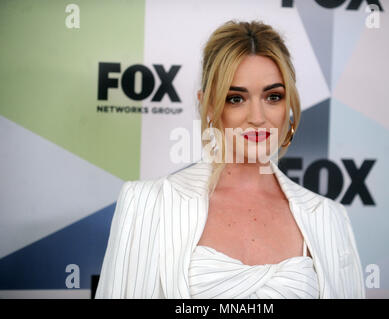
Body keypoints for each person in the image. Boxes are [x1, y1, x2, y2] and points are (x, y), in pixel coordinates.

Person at [95, 20, 365, 299]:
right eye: (236, 98)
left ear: (289, 106)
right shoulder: (147, 204)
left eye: (273, 97)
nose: (258, 117)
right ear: (209, 106)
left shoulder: (329, 218)